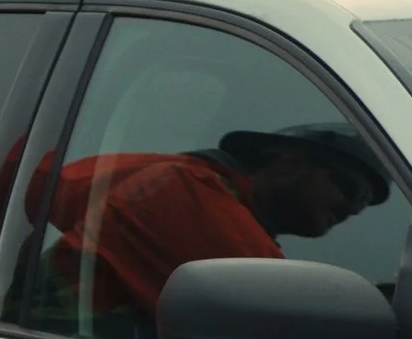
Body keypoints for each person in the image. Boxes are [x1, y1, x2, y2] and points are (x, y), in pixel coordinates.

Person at [44, 124, 388, 325]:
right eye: (352, 189)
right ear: (290, 163)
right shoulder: (185, 189)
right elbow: (282, 315)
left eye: (364, 205)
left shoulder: (215, 201)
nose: (354, 210)